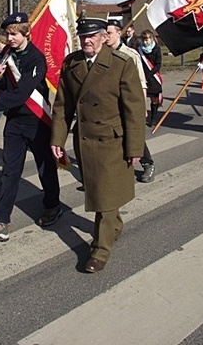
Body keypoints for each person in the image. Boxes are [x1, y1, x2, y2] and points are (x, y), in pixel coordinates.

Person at [51, 18, 145, 273]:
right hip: (84, 139)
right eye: (83, 37)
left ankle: (100, 249)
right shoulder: (72, 63)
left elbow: (134, 109)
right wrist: (57, 139)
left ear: (104, 37)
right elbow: (62, 106)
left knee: (103, 194)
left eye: (92, 36)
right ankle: (114, 224)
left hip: (112, 140)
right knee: (101, 191)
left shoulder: (121, 64)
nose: (87, 41)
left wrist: (135, 146)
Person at [0, 12, 61, 242]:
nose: (10, 38)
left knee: (45, 167)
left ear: (26, 32)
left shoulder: (36, 59)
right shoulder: (4, 54)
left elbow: (21, 93)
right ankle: (1, 220)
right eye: (8, 34)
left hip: (37, 120)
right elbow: (5, 86)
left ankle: (52, 204)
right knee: (10, 171)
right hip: (15, 122)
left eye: (15, 34)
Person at [106, 20, 155, 182]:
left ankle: (147, 163)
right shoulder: (102, 54)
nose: (106, 36)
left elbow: (141, 83)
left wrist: (141, 107)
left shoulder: (131, 55)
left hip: (128, 102)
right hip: (110, 103)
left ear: (118, 33)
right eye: (104, 33)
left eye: (109, 33)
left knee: (133, 134)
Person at [138, 29, 163, 127]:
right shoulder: (139, 49)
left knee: (154, 99)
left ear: (152, 39)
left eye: (147, 39)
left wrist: (150, 74)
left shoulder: (156, 49)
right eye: (144, 40)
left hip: (153, 77)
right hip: (142, 76)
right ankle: (141, 116)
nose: (145, 42)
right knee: (141, 98)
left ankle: (153, 118)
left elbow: (158, 64)